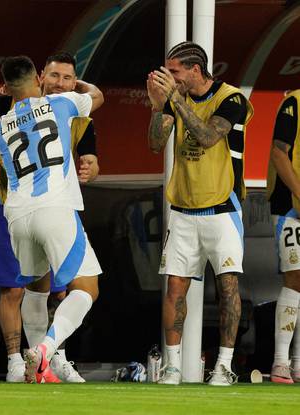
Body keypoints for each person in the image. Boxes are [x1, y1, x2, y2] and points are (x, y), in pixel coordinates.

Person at [0, 52, 102, 383]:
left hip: (18, 216)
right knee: (87, 288)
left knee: (37, 288)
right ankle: (45, 351)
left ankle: (36, 367)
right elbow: (97, 97)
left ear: (6, 86)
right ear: (40, 78)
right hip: (54, 208)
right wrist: (80, 84)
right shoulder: (64, 105)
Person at [147, 41, 253, 386]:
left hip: (222, 208)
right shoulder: (175, 98)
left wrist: (175, 100)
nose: (169, 77)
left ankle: (223, 365)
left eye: (174, 72)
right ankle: (173, 367)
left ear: (195, 70)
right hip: (182, 209)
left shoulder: (231, 98)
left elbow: (208, 136)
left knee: (228, 287)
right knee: (174, 289)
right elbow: (155, 143)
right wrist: (157, 106)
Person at [266, 89, 300, 384]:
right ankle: (280, 362)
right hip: (290, 206)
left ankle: (298, 363)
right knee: (295, 277)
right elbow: (279, 152)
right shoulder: (295, 102)